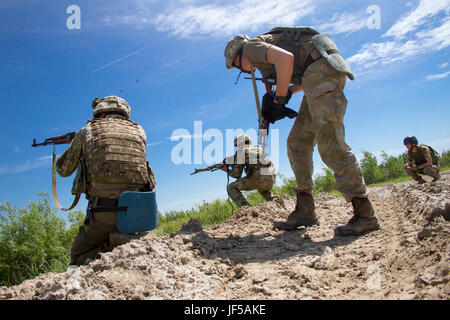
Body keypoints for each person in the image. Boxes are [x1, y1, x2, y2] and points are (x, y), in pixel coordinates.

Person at [224, 27, 380, 236]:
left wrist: (279, 100)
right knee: (297, 144)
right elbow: (298, 78)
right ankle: (305, 210)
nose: (243, 70)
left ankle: (365, 214)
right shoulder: (261, 50)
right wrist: (286, 92)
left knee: (330, 143)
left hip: (321, 72)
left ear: (237, 56)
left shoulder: (251, 48)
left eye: (237, 66)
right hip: (314, 77)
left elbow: (285, 60)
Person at [56, 96, 156, 266]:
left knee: (78, 256)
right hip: (140, 211)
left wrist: (76, 144)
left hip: (105, 212)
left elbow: (63, 169)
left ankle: (115, 243)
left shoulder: (87, 130)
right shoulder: (140, 130)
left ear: (101, 113)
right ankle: (130, 240)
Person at [222, 134, 276, 207]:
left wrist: (226, 170)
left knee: (231, 187)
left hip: (258, 178)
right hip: (271, 178)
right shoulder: (258, 148)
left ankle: (247, 209)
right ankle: (275, 201)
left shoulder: (241, 151)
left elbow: (236, 175)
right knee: (263, 189)